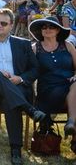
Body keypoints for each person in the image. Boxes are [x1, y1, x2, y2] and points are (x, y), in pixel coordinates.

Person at [0, 8, 47, 165]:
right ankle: (30, 109)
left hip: (17, 88)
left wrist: (21, 78)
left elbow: (35, 69)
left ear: (11, 25)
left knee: (10, 102)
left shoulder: (23, 44)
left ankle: (15, 149)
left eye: (3, 23)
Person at [28, 17, 76, 153]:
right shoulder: (35, 48)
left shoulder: (67, 45)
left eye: (51, 27)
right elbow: (29, 73)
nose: (47, 29)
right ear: (41, 31)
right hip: (49, 91)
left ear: (58, 30)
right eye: (44, 27)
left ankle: (72, 124)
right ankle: (73, 136)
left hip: (70, 88)